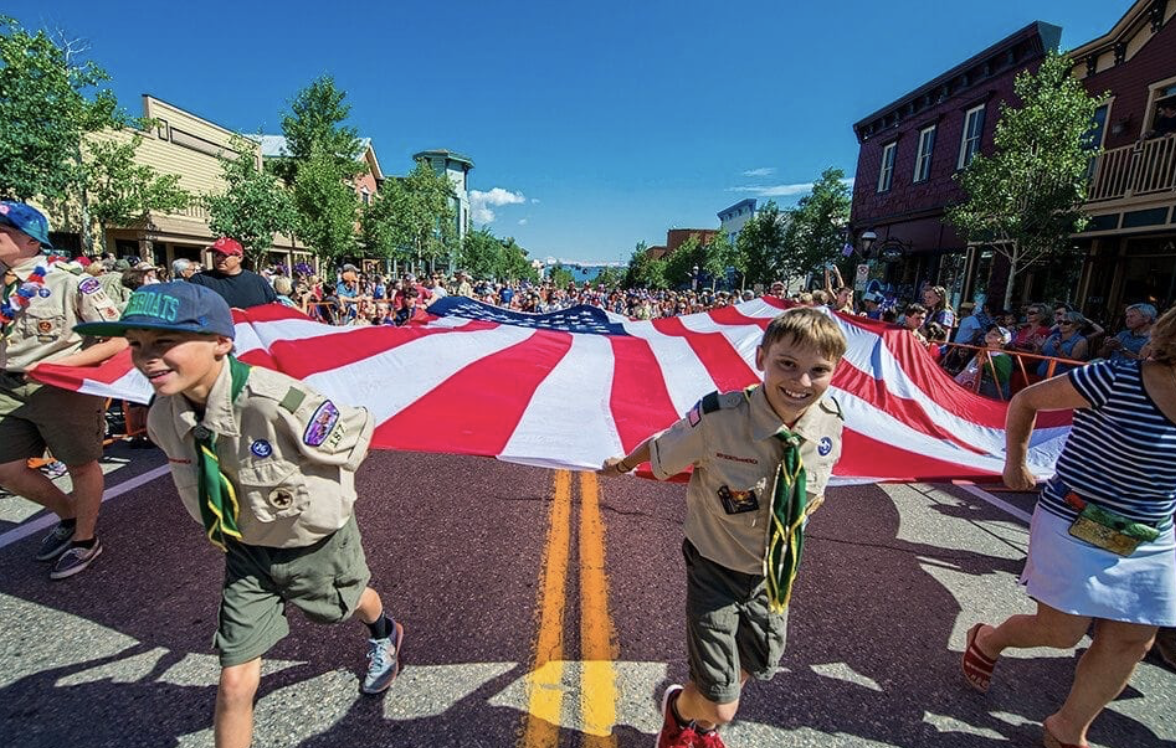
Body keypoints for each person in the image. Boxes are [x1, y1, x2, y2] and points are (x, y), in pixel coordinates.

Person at [75, 282, 405, 747]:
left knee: (347, 604)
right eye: (136, 344)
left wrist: (316, 489)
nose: (147, 358)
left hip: (312, 541)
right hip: (244, 548)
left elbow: (351, 439)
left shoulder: (275, 402)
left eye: (165, 343)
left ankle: (384, 631)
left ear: (222, 344)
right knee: (233, 681)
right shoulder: (162, 417)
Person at [600, 308, 847, 748]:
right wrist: (622, 464)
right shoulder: (720, 419)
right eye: (787, 364)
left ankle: (704, 724)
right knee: (721, 701)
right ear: (761, 357)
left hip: (774, 575)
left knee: (757, 661)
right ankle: (682, 712)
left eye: (818, 370)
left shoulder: (830, 419)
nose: (802, 382)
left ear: (835, 372)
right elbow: (663, 447)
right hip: (716, 566)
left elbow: (816, 481)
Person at [962, 305, 1176, 748]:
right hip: (1077, 518)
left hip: (1152, 537)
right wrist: (1015, 462)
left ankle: (1067, 729)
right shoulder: (1115, 377)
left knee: (1132, 639)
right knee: (1061, 632)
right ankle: (987, 639)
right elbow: (1026, 400)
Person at [0, 201, 126, 579]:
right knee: (6, 470)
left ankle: (84, 539)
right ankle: (70, 514)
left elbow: (118, 337)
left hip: (60, 387)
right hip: (7, 385)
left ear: (28, 240)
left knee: (80, 465)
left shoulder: (69, 281)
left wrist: (58, 366)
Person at [188, 237, 277, 309]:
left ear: (239, 258)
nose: (218, 259)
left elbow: (274, 307)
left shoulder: (258, 281)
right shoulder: (200, 280)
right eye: (216, 254)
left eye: (224, 255)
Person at [955, 325, 1013, 399]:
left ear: (1002, 341)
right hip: (977, 391)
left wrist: (986, 364)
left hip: (992, 395)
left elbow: (1002, 377)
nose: (990, 334)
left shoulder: (1003, 357)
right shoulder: (982, 352)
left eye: (995, 334)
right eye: (989, 332)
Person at [1037, 311, 1089, 377]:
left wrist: (1059, 350)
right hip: (1040, 376)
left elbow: (1071, 365)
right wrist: (1038, 347)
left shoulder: (1081, 341)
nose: (1061, 325)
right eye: (1060, 322)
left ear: (1077, 325)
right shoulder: (1053, 337)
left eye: (1066, 323)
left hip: (1060, 380)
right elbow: (1040, 356)